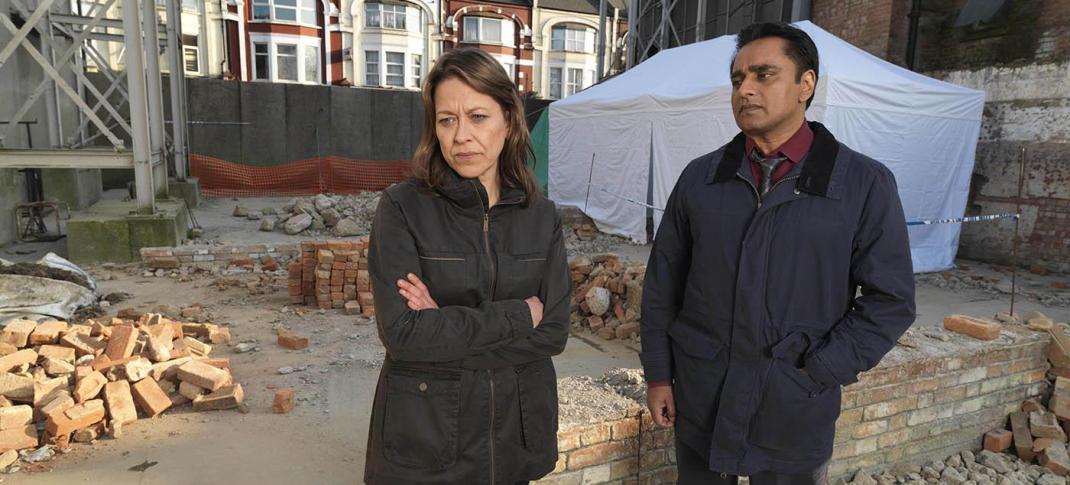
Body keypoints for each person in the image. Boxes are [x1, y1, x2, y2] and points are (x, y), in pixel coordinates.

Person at [640, 22, 917, 484]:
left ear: (805, 85)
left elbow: (891, 301)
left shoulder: (862, 184)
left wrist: (821, 369)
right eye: (737, 79)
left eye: (763, 75)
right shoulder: (701, 179)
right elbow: (662, 286)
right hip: (703, 394)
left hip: (793, 405)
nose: (745, 89)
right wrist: (660, 376)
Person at [363, 47, 571, 485]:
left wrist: (442, 325)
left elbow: (552, 332)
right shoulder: (402, 208)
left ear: (508, 121)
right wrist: (518, 316)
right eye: (447, 120)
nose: (461, 135)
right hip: (428, 440)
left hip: (516, 438)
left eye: (478, 116)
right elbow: (403, 335)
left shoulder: (542, 215)